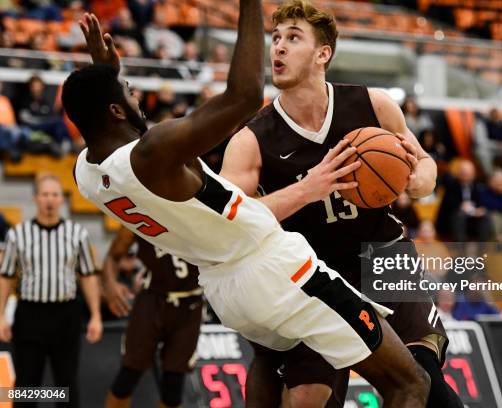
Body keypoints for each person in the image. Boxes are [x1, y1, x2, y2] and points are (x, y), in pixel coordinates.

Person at [64, 8, 430, 408]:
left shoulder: (87, 172)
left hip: (224, 290)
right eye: (129, 93)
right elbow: (244, 96)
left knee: (273, 377)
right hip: (275, 267)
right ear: (115, 112)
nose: (137, 96)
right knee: (410, 383)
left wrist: (107, 78)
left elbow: (134, 144)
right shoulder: (156, 153)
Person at [219, 1, 459, 407]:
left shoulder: (373, 105)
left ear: (323, 53)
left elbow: (423, 161)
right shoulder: (252, 138)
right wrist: (305, 190)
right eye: (275, 38)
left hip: (382, 256)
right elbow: (226, 221)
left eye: (293, 38)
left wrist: (421, 178)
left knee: (424, 383)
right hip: (312, 273)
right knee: (309, 398)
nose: (278, 48)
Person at [0, 173, 103, 408]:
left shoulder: (78, 234)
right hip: (30, 314)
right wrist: (1, 315)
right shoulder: (18, 235)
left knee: (65, 384)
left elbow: (87, 276)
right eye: (45, 194)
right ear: (36, 198)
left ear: (61, 199)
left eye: (55, 194)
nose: (50, 199)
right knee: (27, 386)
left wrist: (95, 315)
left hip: (65, 314)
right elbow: (5, 277)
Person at [103, 227, 202, 408]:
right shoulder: (140, 209)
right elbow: (113, 255)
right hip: (151, 299)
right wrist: (110, 284)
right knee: (129, 373)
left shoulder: (201, 209)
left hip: (190, 303)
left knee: (174, 384)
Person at [436, 159, 492, 243]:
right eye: (464, 174)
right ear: (459, 174)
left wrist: (479, 210)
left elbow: (482, 202)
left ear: (473, 174)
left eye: (469, 174)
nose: (466, 177)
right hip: (452, 219)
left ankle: (482, 248)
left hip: (472, 219)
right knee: (460, 216)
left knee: (485, 217)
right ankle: (460, 250)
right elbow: (449, 204)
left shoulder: (477, 186)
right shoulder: (451, 185)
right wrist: (460, 206)